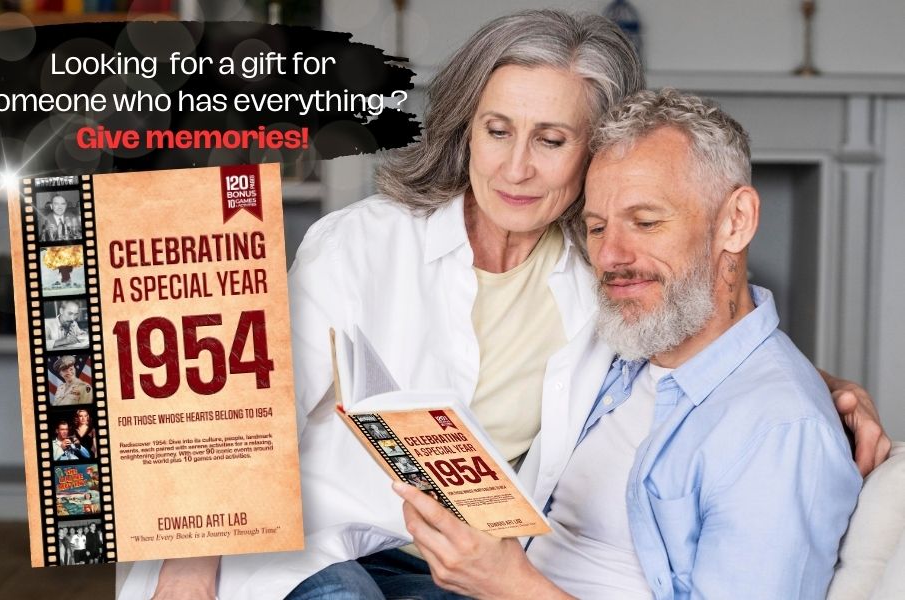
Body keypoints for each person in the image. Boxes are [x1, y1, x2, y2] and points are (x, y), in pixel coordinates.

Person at [135, 10, 889, 600]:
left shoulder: (602, 271)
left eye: (553, 139)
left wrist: (815, 390)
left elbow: (694, 335)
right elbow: (236, 412)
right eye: (497, 131)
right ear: (467, 131)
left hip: (463, 572)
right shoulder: (359, 244)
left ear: (594, 152)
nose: (517, 168)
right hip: (316, 549)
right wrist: (187, 577)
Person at [394, 89, 863, 599]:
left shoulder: (779, 430)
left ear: (736, 221)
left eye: (646, 222)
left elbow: (767, 403)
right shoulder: (622, 348)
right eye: (596, 228)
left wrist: (509, 585)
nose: (612, 256)